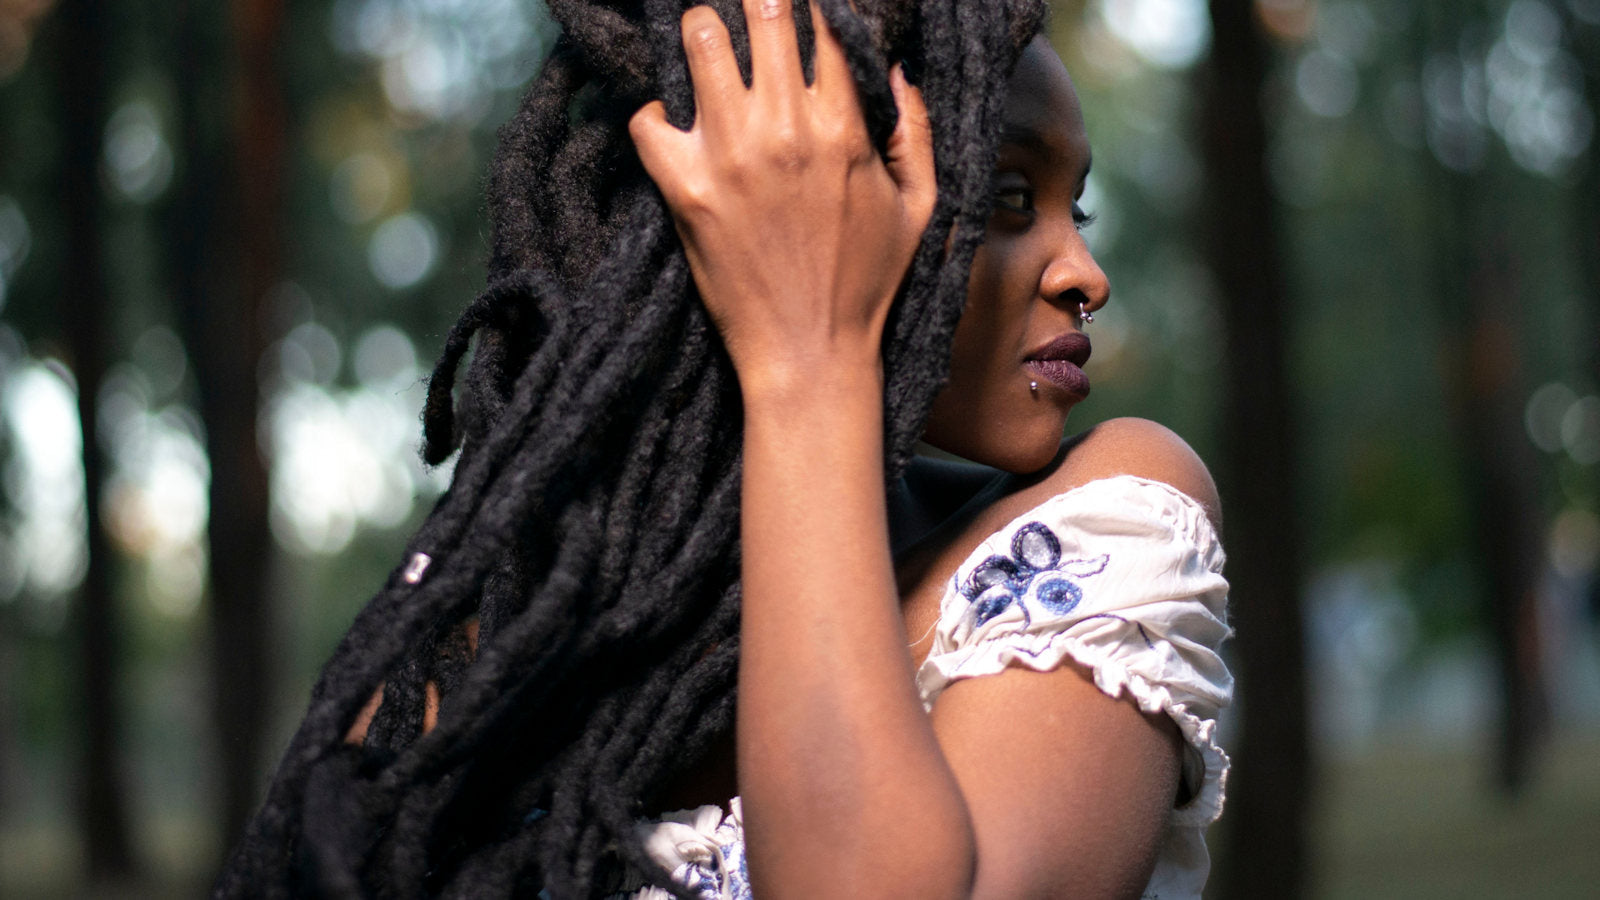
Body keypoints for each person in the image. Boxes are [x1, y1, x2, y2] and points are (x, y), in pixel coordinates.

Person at [215, 2, 1231, 898]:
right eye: (1009, 199)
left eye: (1072, 204)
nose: (1085, 274)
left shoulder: (1109, 517)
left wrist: (810, 352)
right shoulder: (487, 657)